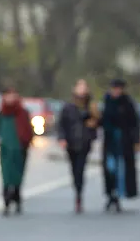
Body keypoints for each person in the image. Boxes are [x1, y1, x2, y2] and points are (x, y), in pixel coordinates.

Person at [57, 79, 101, 213]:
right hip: (71, 142)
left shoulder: (91, 105)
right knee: (74, 169)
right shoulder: (68, 106)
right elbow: (62, 124)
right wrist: (62, 138)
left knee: (81, 169)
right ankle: (77, 187)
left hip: (84, 141)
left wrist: (92, 130)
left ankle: (79, 194)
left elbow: (98, 121)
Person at [101, 78, 140, 212]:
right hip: (110, 141)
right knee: (109, 168)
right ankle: (110, 194)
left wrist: (136, 140)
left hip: (124, 140)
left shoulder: (127, 103)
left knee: (121, 170)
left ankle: (117, 195)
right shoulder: (107, 102)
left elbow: (134, 122)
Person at [0, 87, 34, 216]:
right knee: (6, 176)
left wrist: (26, 141)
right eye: (7, 95)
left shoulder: (22, 112)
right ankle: (6, 201)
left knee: (18, 175)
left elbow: (28, 130)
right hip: (6, 149)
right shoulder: (2, 113)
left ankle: (17, 197)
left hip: (19, 148)